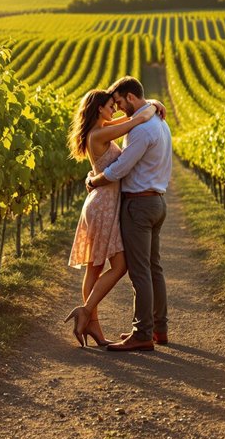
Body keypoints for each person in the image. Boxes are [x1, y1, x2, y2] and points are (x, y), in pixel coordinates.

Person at [70, 76, 173, 352]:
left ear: (128, 97)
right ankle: (93, 318)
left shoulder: (104, 127)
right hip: (104, 205)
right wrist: (150, 106)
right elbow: (134, 122)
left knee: (108, 266)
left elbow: (133, 124)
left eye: (117, 102)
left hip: (114, 203)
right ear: (99, 109)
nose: (114, 108)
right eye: (110, 105)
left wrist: (151, 104)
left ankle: (90, 316)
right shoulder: (102, 132)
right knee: (113, 266)